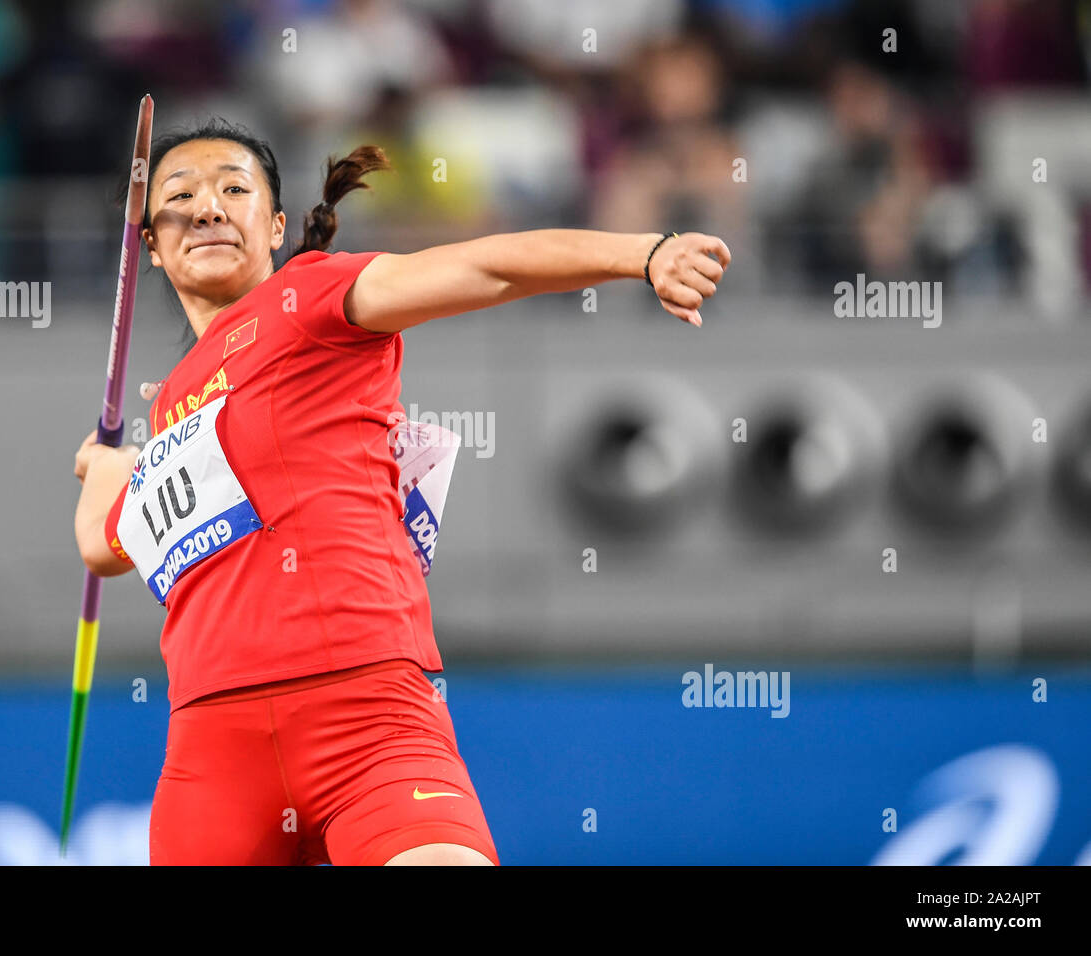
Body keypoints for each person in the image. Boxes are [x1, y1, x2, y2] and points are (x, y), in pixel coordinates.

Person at [72, 118, 731, 866]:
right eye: (179, 196)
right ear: (150, 246)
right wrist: (108, 469)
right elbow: (104, 545)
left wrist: (643, 255)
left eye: (234, 188)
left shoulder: (309, 297)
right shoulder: (171, 409)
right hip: (211, 748)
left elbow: (488, 268)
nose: (208, 207)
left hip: (368, 714)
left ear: (277, 225)